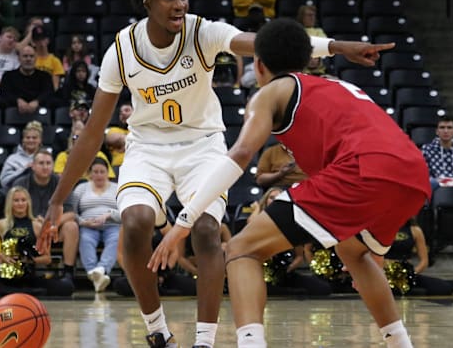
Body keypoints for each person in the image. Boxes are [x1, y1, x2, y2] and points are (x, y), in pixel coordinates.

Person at [37, 0, 392, 348]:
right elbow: (92, 133)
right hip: (148, 147)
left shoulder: (202, 31)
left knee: (206, 229)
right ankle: (157, 330)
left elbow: (266, 42)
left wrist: (337, 47)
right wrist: (58, 200)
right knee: (136, 221)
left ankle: (204, 342)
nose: (179, 4)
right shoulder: (121, 50)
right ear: (147, 3)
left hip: (202, 144)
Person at [148, 18, 426, 348]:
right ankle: (400, 343)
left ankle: (251, 344)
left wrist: (184, 221)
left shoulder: (271, 92)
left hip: (362, 169)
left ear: (259, 64)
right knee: (355, 252)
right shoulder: (335, 85)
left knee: (241, 249)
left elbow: (241, 154)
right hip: (413, 174)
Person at [0, 186, 74, 297]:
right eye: (16, 200)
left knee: (67, 287)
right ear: (10, 203)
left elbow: (47, 258)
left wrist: (30, 260)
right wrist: (1, 256)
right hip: (7, 278)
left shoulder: (36, 225)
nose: (20, 204)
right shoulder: (1, 225)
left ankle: (18, 293)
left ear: (28, 203)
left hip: (29, 278)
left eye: (23, 200)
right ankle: (27, 293)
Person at [248, 187, 332, 297]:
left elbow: (299, 256)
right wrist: (257, 208)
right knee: (261, 289)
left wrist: (289, 268)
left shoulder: (292, 224)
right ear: (265, 201)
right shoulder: (259, 222)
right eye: (271, 198)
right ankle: (288, 292)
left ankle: (287, 291)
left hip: (285, 273)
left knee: (324, 289)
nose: (274, 200)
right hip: (262, 273)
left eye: (278, 198)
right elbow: (251, 223)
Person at [14, 149, 79, 280]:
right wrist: (35, 222)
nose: (45, 167)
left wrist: (50, 223)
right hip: (30, 227)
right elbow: (14, 210)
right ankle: (21, 268)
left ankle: (68, 272)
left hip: (54, 229)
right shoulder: (21, 183)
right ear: (32, 166)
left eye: (48, 163)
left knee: (71, 226)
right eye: (41, 163)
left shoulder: (62, 183)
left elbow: (71, 213)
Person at [67, 158, 121, 292]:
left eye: (102, 172)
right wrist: (83, 222)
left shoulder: (117, 188)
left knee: (116, 238)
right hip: (88, 226)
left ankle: (101, 269)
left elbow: (125, 211)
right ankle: (94, 272)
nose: (99, 175)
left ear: (108, 173)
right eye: (95, 172)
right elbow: (71, 211)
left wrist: (109, 215)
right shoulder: (81, 188)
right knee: (85, 239)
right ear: (90, 174)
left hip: (112, 225)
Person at [384, 218, 453, 296]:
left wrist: (411, 274)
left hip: (406, 274)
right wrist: (386, 272)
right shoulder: (381, 229)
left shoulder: (415, 230)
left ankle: (408, 290)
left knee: (445, 287)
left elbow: (424, 261)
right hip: (384, 273)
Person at [0, 45, 56, 111]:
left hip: (39, 106)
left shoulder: (45, 76)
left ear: (36, 58)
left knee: (54, 102)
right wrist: (17, 100)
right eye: (25, 56)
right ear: (19, 58)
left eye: (31, 56)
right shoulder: (8, 76)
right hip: (14, 106)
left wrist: (37, 101)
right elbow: (5, 93)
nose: (28, 59)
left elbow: (48, 92)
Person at [0, 120, 43, 188]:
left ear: (40, 140)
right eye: (27, 137)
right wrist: (24, 170)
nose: (31, 140)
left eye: (34, 138)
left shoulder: (46, 158)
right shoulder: (12, 159)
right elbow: (4, 182)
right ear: (23, 140)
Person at [297, 4, 328, 76]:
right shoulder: (297, 30)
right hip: (302, 70)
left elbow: (324, 46)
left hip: (319, 70)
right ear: (302, 17)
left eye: (313, 15)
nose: (312, 18)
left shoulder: (319, 31)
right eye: (309, 15)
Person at [31, 25, 64, 90]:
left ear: (48, 40)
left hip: (48, 93)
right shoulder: (30, 59)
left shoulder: (55, 61)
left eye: (43, 39)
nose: (41, 42)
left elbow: (55, 86)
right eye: (37, 39)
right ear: (33, 42)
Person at [104, 102, 132, 168]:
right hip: (119, 166)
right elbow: (112, 139)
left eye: (127, 110)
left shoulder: (142, 129)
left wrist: (124, 142)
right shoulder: (113, 130)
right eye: (120, 113)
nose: (123, 113)